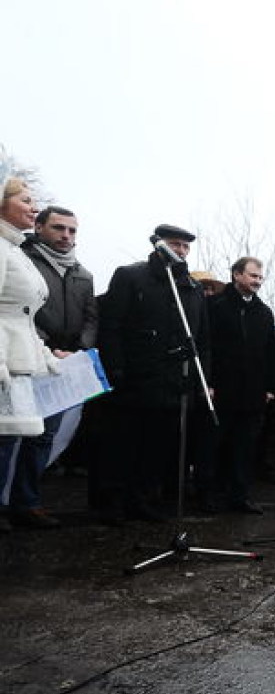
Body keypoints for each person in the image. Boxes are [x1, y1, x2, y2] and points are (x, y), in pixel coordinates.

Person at [96, 223, 211, 523]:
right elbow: (111, 326)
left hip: (173, 382)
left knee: (157, 447)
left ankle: (144, 498)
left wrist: (201, 380)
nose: (181, 251)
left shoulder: (191, 287)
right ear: (158, 245)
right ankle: (112, 501)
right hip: (134, 377)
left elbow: (202, 338)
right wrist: (116, 368)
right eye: (175, 245)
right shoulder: (131, 276)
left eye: (186, 247)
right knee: (123, 443)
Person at [6, 205, 96, 528]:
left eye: (72, 230)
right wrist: (45, 346)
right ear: (40, 227)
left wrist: (77, 351)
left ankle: (26, 503)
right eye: (59, 228)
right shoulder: (21, 258)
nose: (66, 236)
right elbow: (18, 310)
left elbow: (90, 319)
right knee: (9, 435)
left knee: (44, 436)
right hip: (26, 357)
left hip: (62, 366)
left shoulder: (83, 275)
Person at [0, 174, 63, 531]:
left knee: (10, 439)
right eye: (25, 200)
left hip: (19, 358)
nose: (33, 207)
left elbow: (23, 316)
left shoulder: (13, 249)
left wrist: (44, 355)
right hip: (4, 363)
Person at [203, 256, 275, 514]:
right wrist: (208, 382)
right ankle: (209, 494)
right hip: (221, 390)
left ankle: (240, 495)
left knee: (245, 448)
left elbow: (271, 353)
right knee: (215, 444)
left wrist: (269, 387)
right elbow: (206, 347)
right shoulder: (215, 305)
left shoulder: (264, 312)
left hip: (253, 393)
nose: (257, 281)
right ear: (236, 275)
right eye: (252, 276)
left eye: (260, 277)